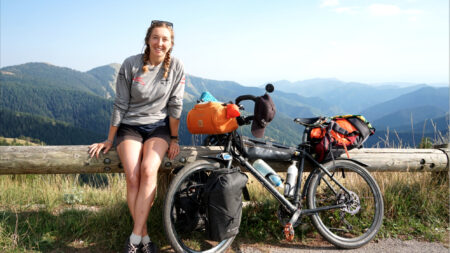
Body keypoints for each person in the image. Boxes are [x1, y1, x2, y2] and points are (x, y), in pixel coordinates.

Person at [88, 20, 185, 253]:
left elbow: (176, 105)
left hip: (158, 128)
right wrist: (109, 139)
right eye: (155, 37)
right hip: (129, 127)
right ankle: (144, 237)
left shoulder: (177, 67)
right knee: (132, 177)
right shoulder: (130, 65)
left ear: (171, 43)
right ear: (147, 39)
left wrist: (174, 138)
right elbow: (120, 104)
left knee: (148, 170)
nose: (159, 43)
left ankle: (133, 239)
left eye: (165, 39)